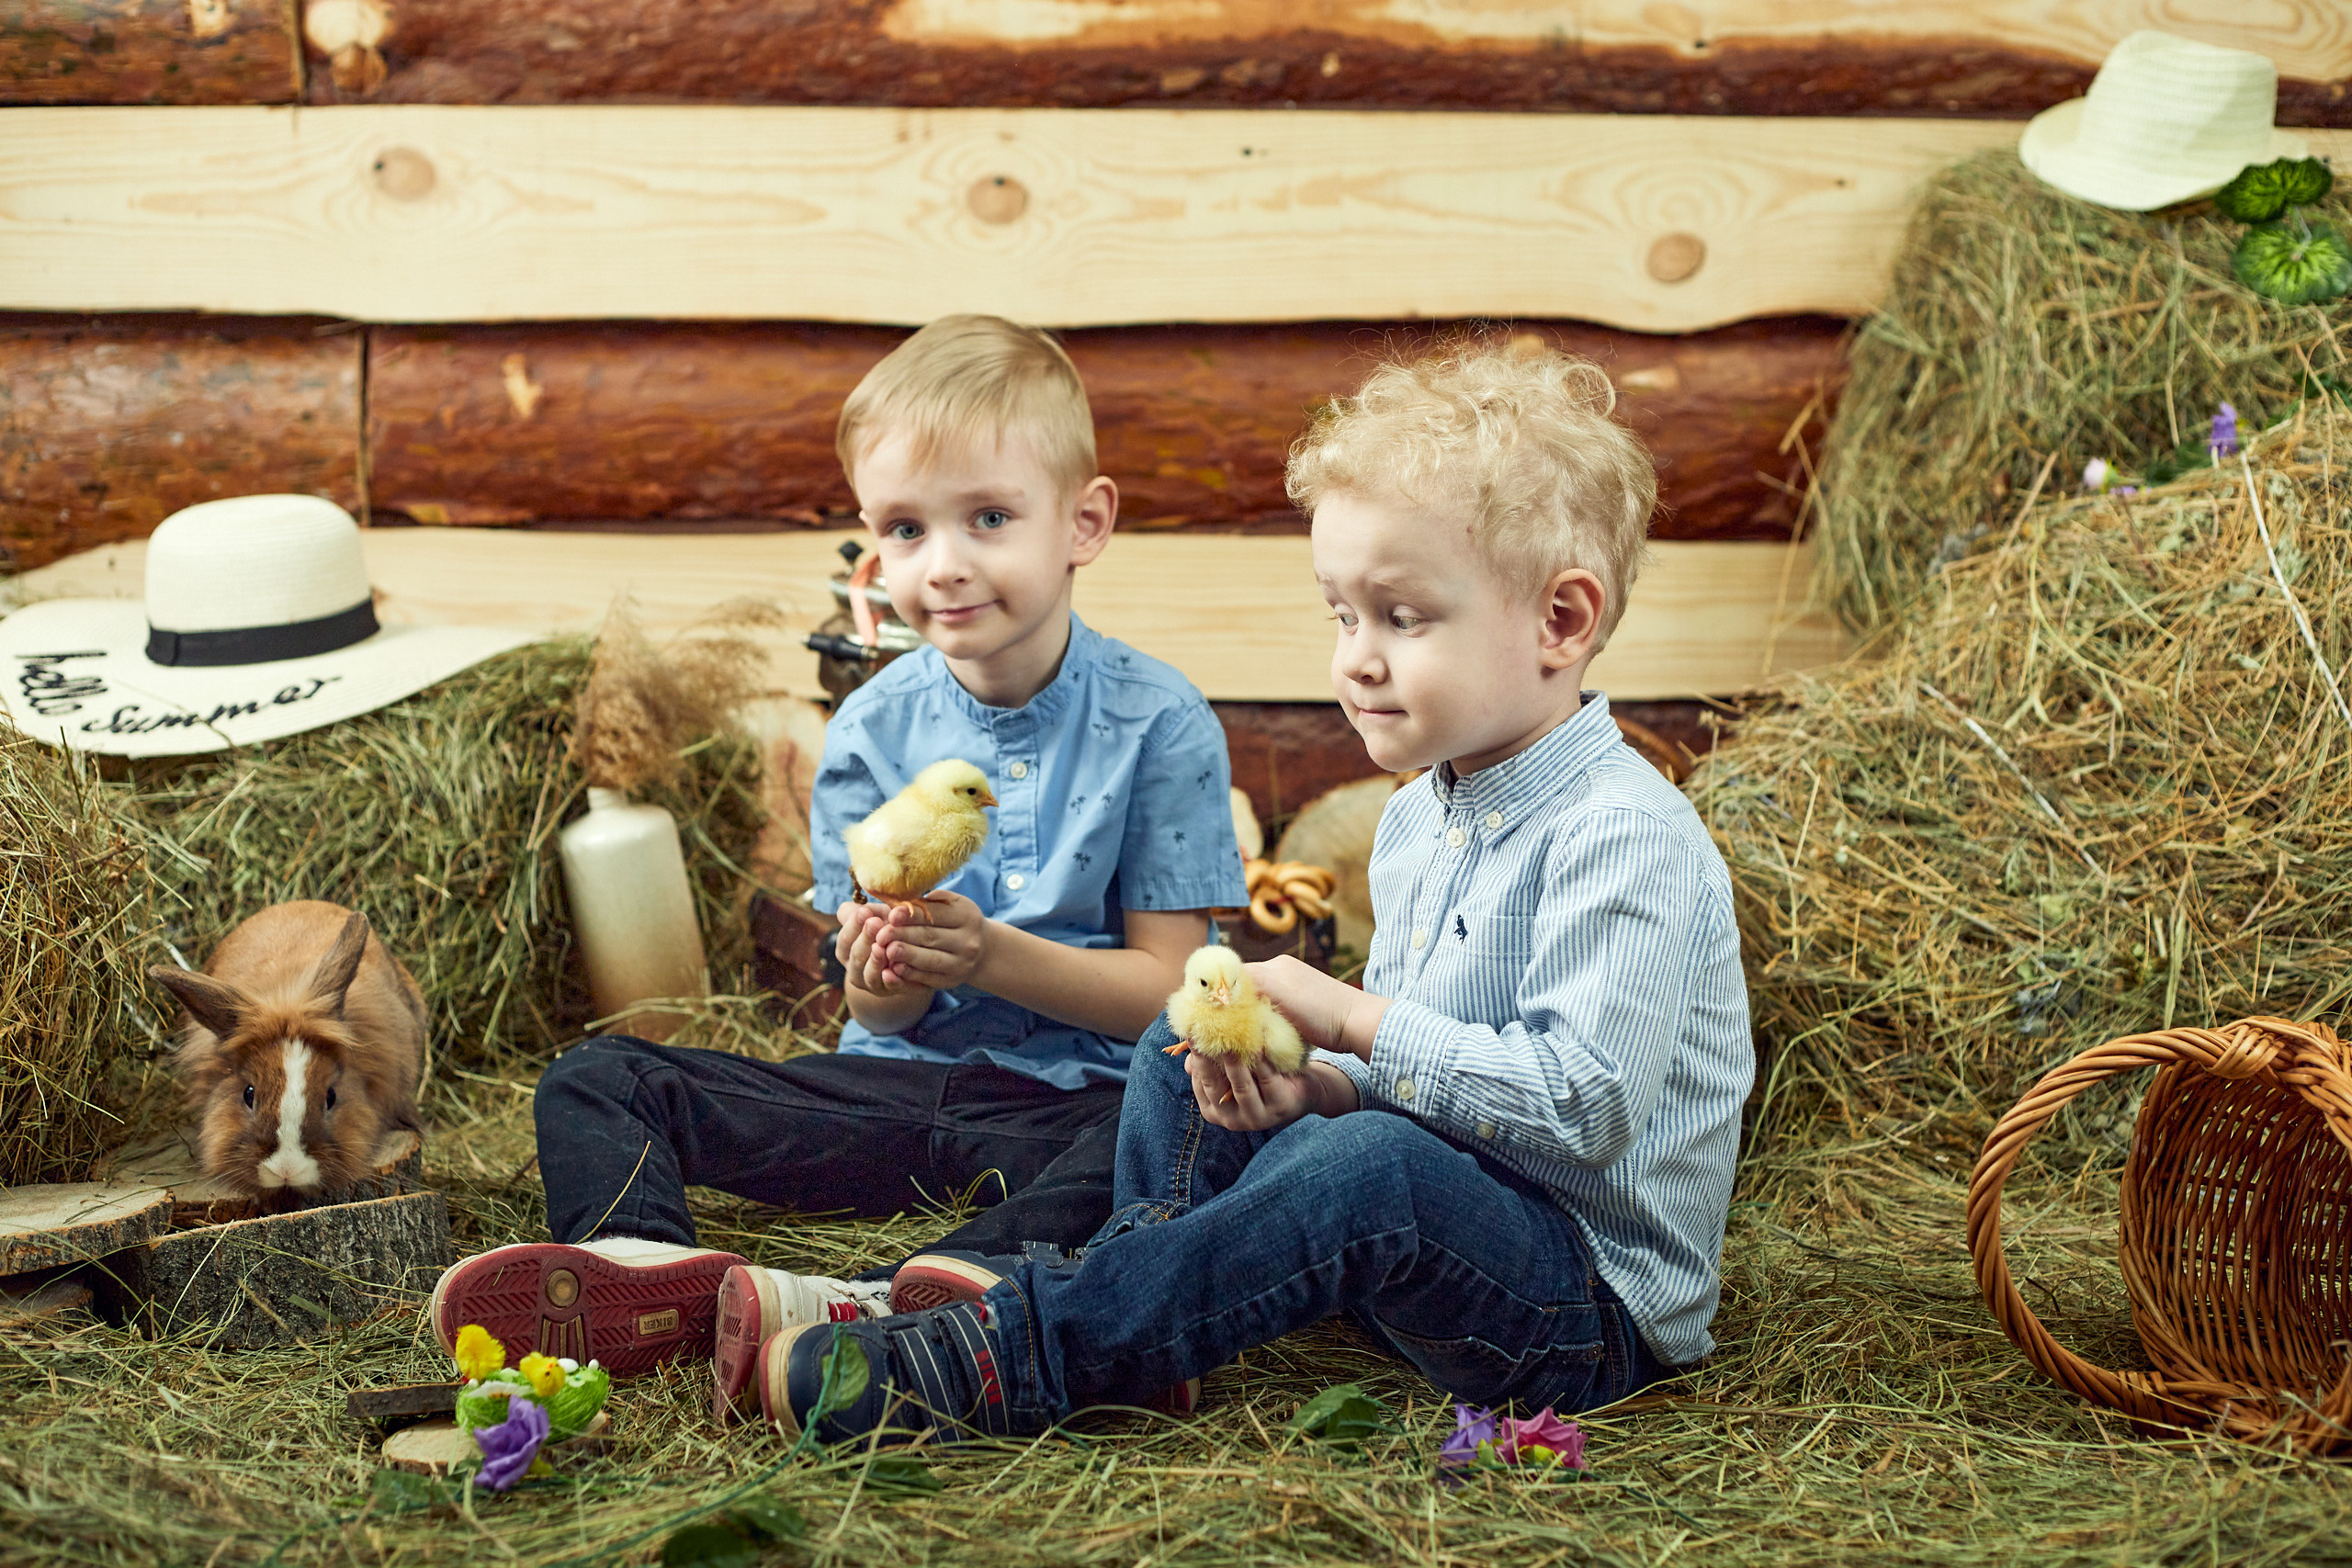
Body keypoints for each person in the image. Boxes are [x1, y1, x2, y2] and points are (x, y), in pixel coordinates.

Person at [739, 341, 1753, 1440]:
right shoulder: (1422, 817)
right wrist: (1318, 1086)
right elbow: (1419, 1095)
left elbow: (1578, 1110)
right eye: (1339, 615)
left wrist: (1350, 1022)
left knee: (1371, 1166)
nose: (1354, 660)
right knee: (1187, 1043)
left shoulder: (1624, 834)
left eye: (1400, 618)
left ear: (1560, 622)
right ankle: (1138, 1306)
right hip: (1429, 1235)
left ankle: (1024, 1354)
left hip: (1576, 1311)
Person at [428, 316, 1245, 1398]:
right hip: (901, 1093)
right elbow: (879, 1019)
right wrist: (882, 974)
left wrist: (986, 954)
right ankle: (644, 1268)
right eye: (905, 530)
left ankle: (886, 1297)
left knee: (1191, 1123)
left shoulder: (1162, 722)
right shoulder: (870, 729)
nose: (942, 566)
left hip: (1079, 1108)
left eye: (988, 518)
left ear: (1082, 523)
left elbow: (1163, 999)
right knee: (599, 1075)